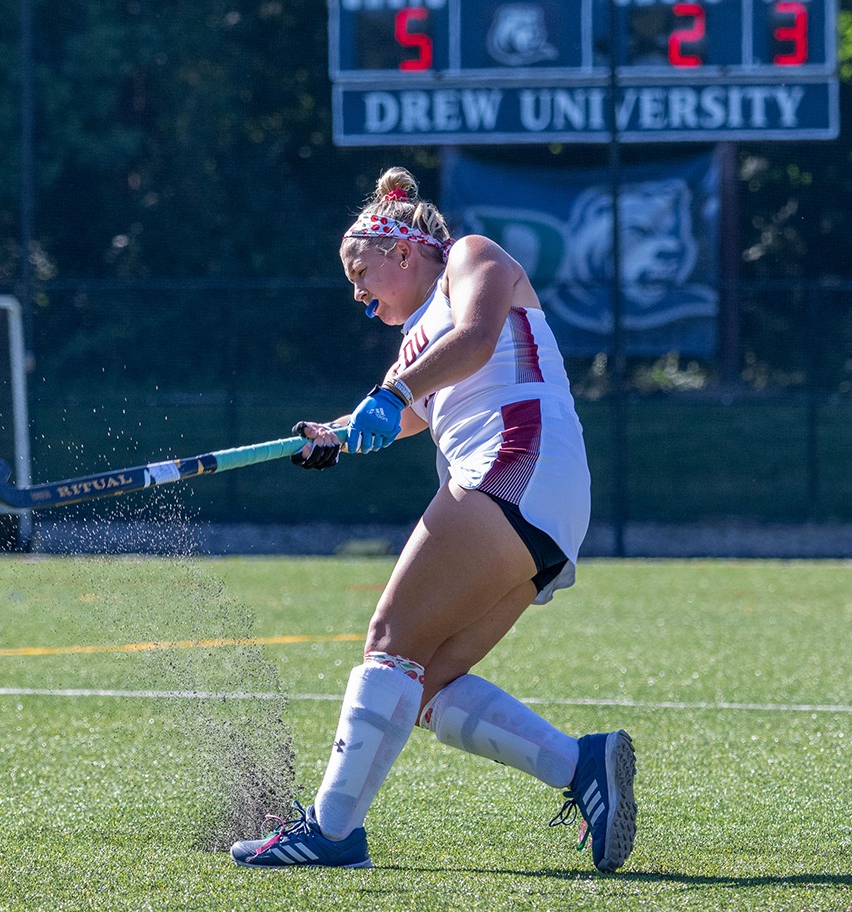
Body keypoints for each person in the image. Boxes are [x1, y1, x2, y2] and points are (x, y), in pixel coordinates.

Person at [231, 168, 637, 872]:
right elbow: (411, 414)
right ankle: (583, 766)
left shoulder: (473, 257)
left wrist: (387, 395)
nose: (357, 292)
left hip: (517, 464)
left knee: (389, 637)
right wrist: (333, 432)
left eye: (360, 270)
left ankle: (330, 832)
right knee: (421, 684)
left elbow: (477, 341)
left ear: (401, 251)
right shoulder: (416, 341)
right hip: (541, 500)